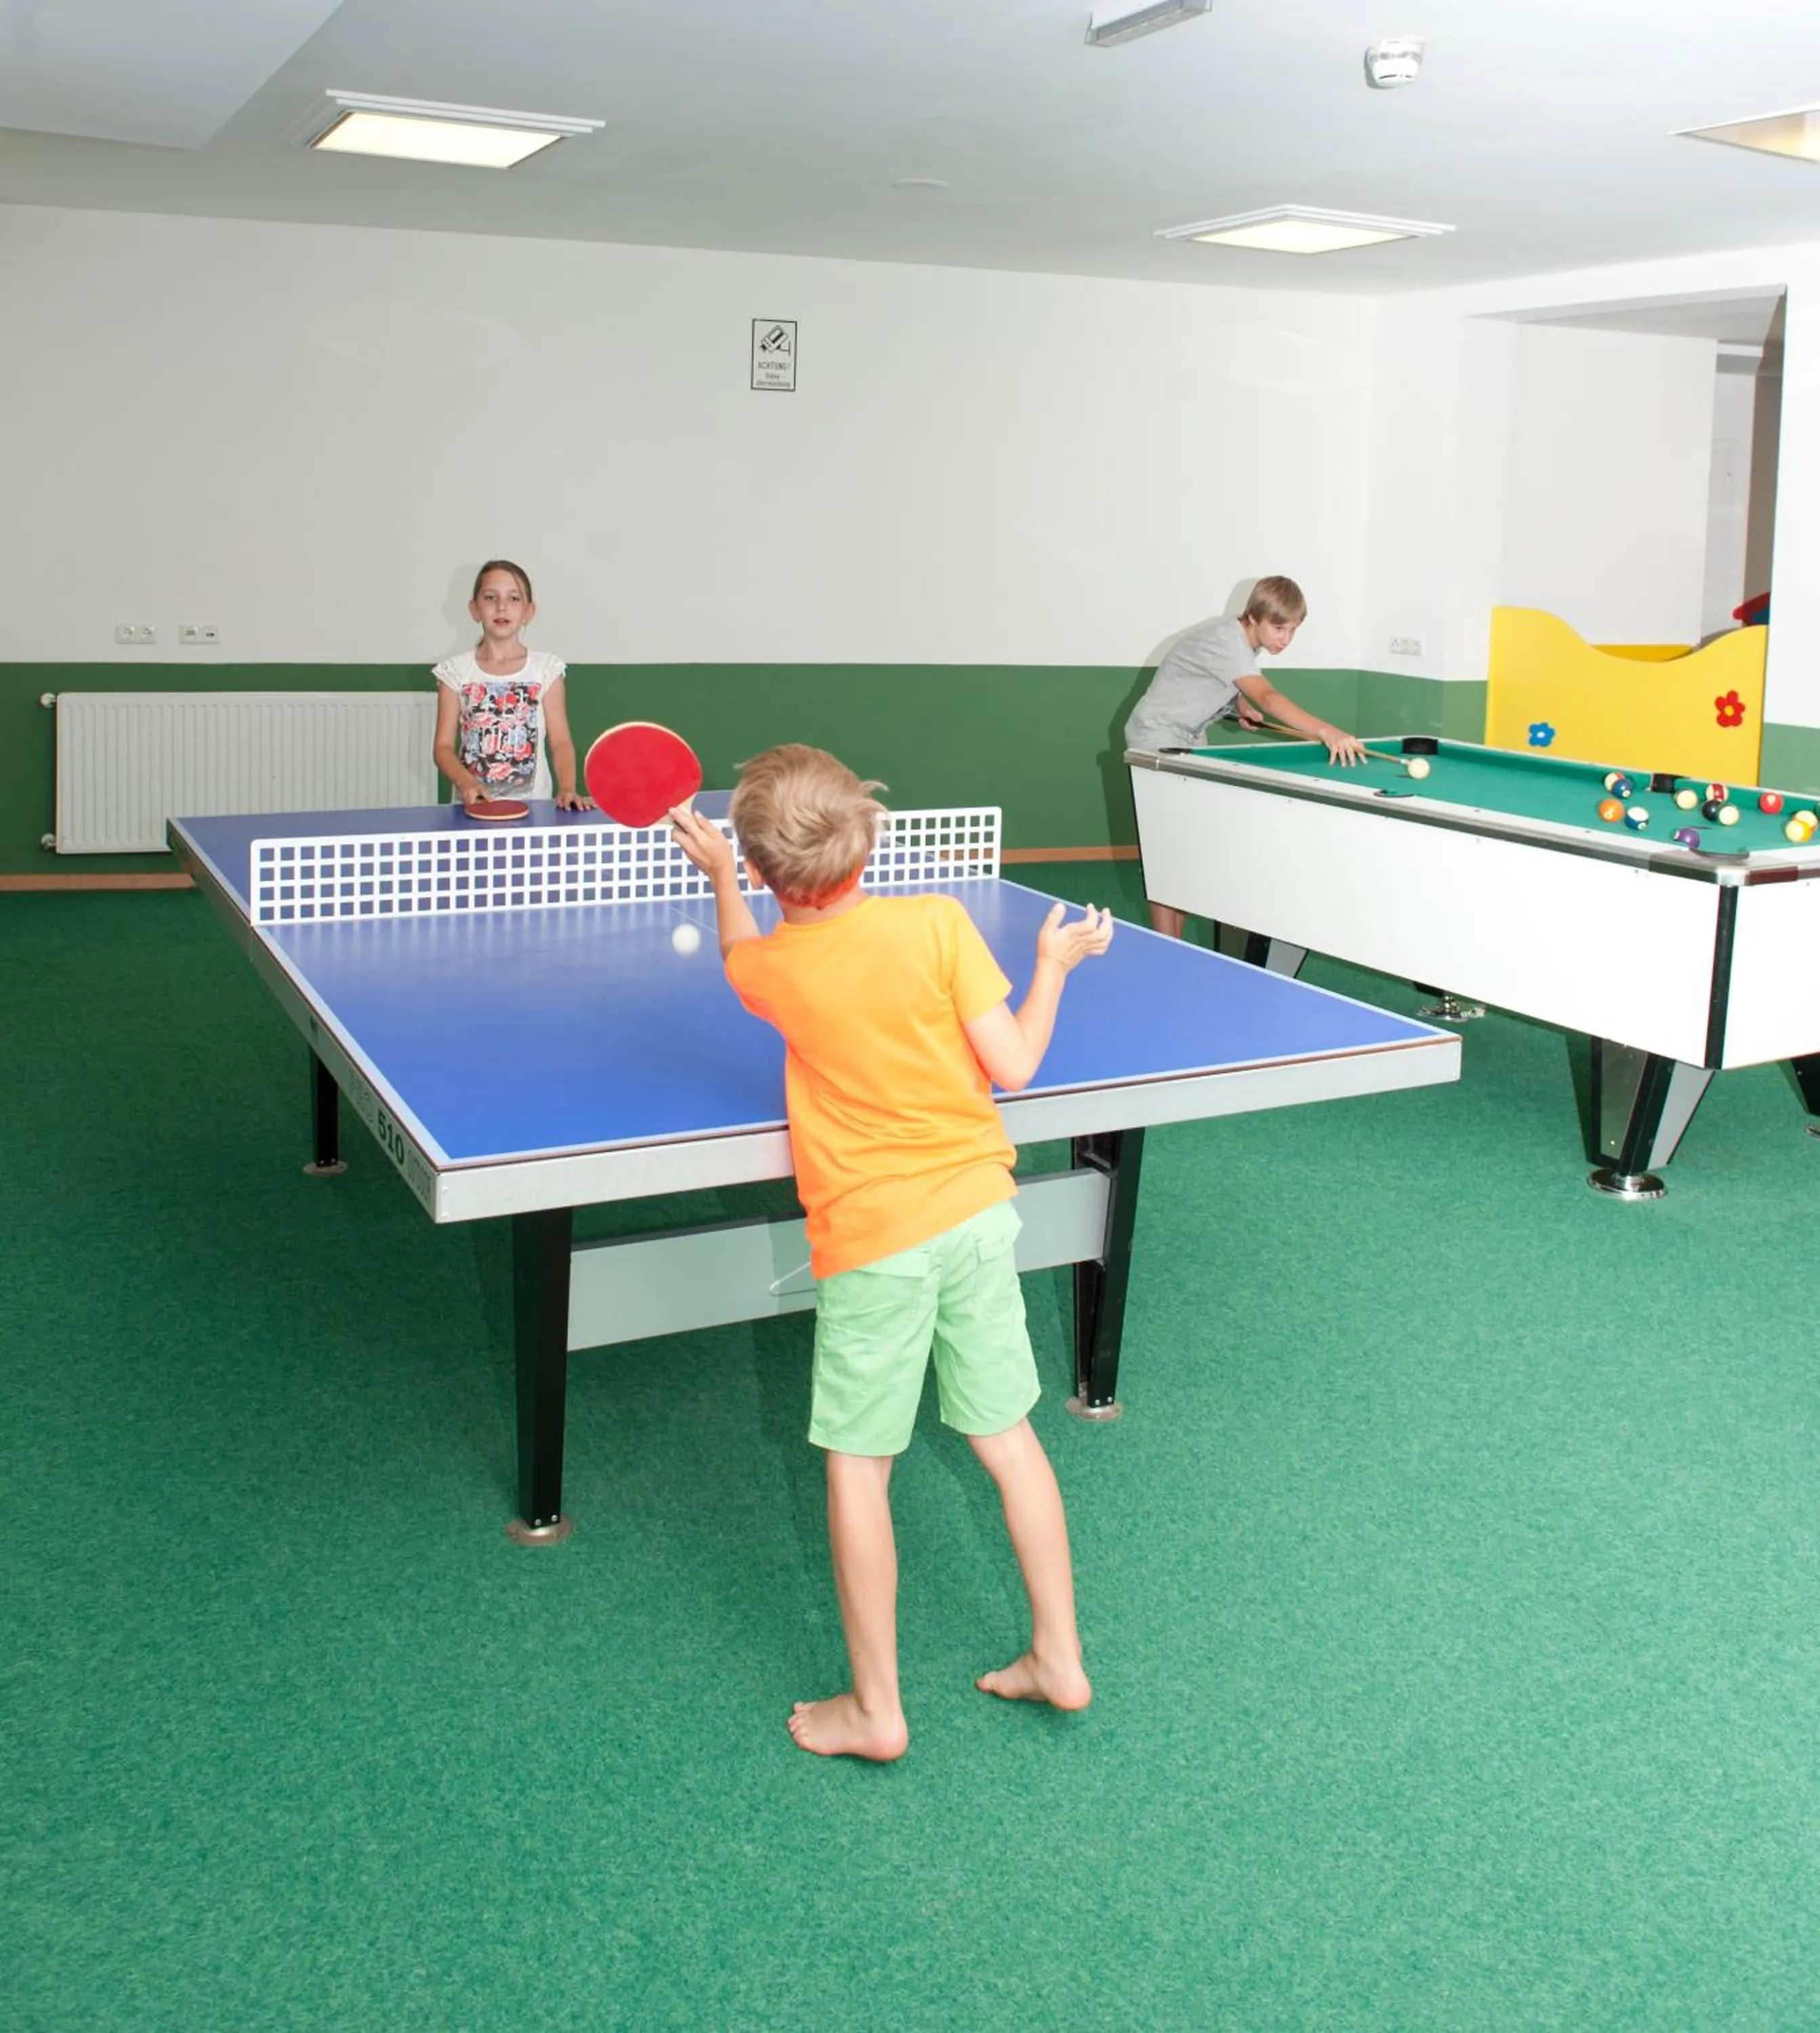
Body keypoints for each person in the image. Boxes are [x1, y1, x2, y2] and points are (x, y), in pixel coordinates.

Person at [669, 745, 1114, 1763]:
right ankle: (1059, 1655)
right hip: (976, 1214)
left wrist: (720, 880)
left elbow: (742, 952)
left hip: (874, 1240)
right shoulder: (936, 924)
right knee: (1008, 1441)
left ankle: (875, 1711)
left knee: (858, 1470)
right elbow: (1013, 1065)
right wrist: (1049, 969)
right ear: (866, 842)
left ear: (766, 867)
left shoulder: (771, 972)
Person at [1125, 575, 1365, 937]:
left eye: (1294, 630)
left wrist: (1236, 707)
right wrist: (1325, 731)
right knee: (1171, 850)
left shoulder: (1241, 642)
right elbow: (1268, 697)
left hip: (1187, 738)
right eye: (1279, 627)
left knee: (1190, 850)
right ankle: (1166, 952)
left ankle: (1172, 947)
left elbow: (1207, 681)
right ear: (1253, 617)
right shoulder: (1228, 641)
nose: (1286, 639)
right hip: (1157, 737)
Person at [432, 559, 590, 809]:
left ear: (529, 611)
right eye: (491, 598)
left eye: (514, 599)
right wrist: (466, 783)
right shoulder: (455, 672)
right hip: (472, 811)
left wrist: (568, 788)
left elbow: (561, 741)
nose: (502, 607)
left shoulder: (546, 670)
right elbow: (442, 747)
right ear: (474, 609)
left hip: (534, 812)